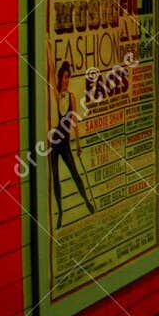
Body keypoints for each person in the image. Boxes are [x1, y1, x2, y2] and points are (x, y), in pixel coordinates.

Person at [49, 59, 96, 227]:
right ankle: (60, 212)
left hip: (66, 143)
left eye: (68, 77)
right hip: (54, 144)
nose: (66, 80)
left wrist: (79, 144)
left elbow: (74, 120)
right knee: (55, 178)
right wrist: (47, 45)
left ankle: (86, 201)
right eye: (64, 77)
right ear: (60, 78)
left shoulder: (71, 97)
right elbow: (51, 67)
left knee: (75, 173)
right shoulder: (56, 93)